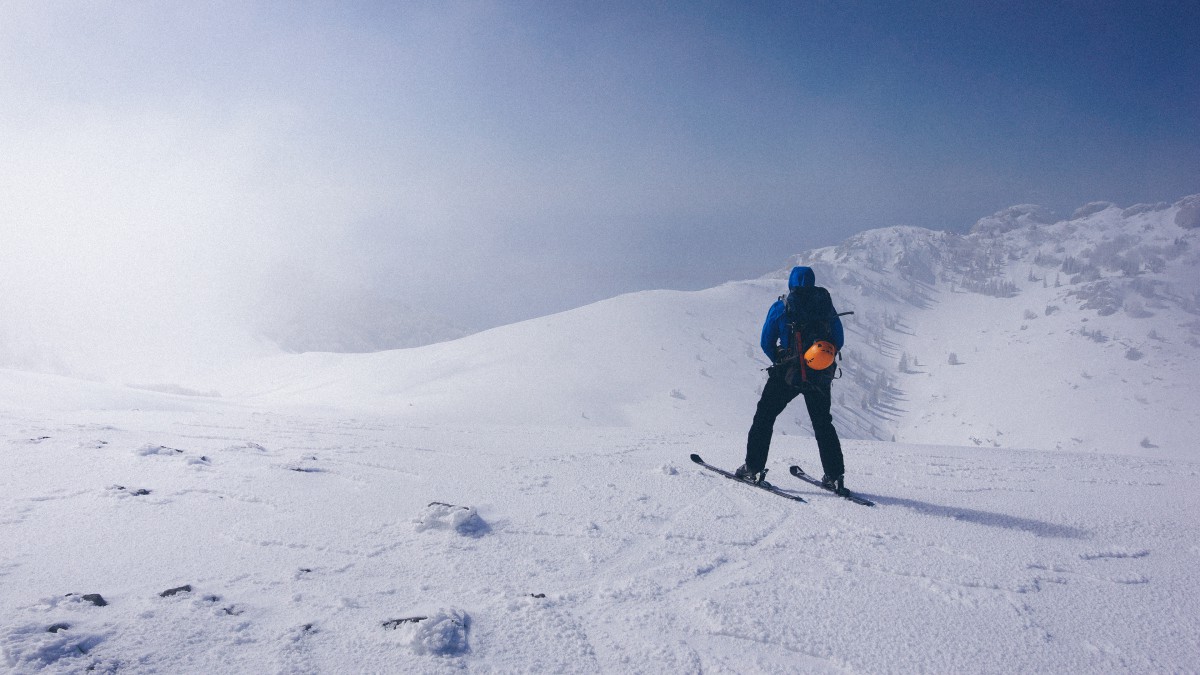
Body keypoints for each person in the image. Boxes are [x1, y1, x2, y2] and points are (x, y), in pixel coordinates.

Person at [736, 266, 848, 493]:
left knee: (764, 417)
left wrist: (781, 357)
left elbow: (766, 342)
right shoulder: (826, 307)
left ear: (791, 283)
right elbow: (839, 339)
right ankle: (835, 476)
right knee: (823, 423)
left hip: (788, 374)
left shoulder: (782, 307)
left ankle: (753, 467)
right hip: (819, 375)